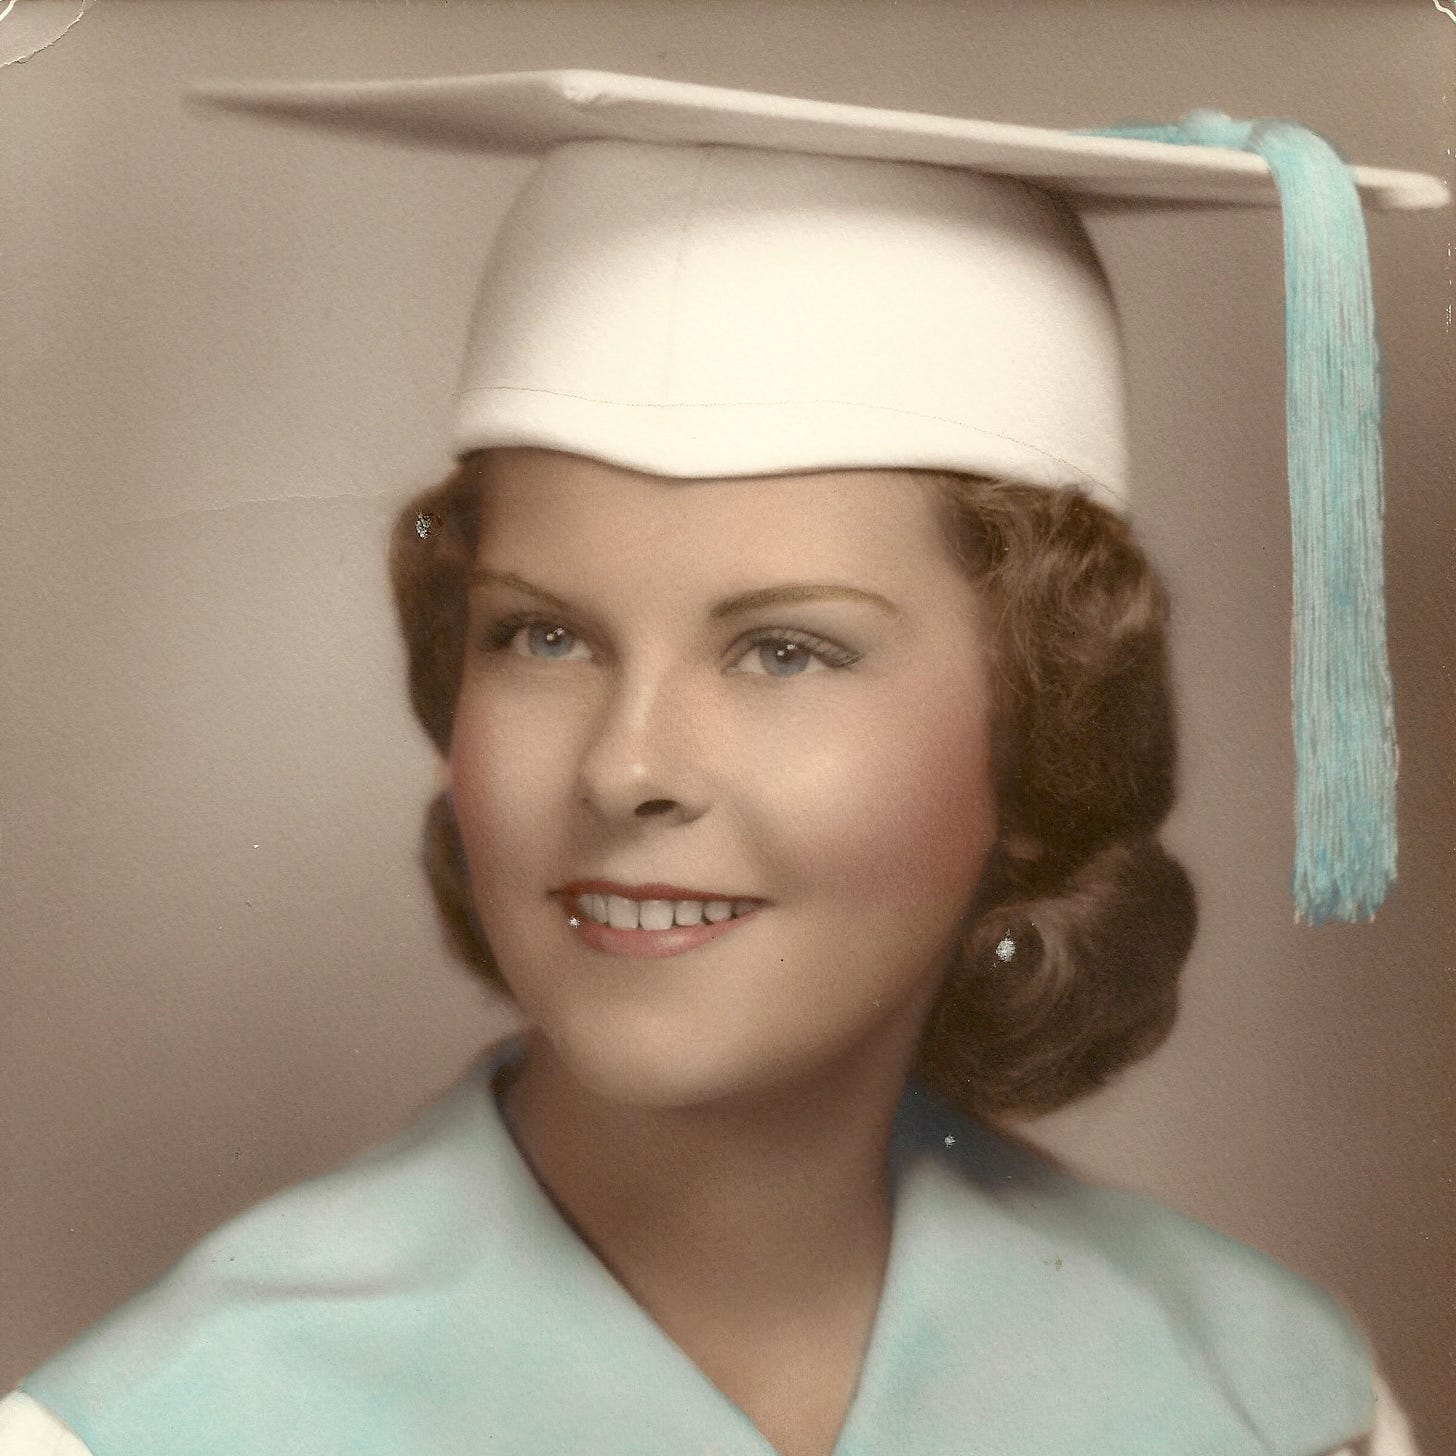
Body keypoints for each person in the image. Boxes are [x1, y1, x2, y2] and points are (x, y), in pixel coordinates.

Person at [0, 72, 1442, 1456]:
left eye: (785, 653)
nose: (627, 770)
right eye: (541, 638)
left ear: (1041, 730)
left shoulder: (1266, 1404)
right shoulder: (164, 1429)